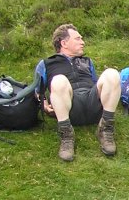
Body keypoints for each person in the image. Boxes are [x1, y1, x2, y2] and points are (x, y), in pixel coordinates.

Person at [39, 24, 120, 162]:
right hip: (69, 107)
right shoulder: (46, 63)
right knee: (58, 80)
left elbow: (98, 84)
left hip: (92, 103)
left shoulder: (87, 61)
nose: (82, 42)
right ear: (64, 43)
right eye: (78, 39)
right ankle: (66, 135)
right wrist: (44, 105)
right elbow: (37, 90)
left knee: (112, 73)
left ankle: (105, 128)